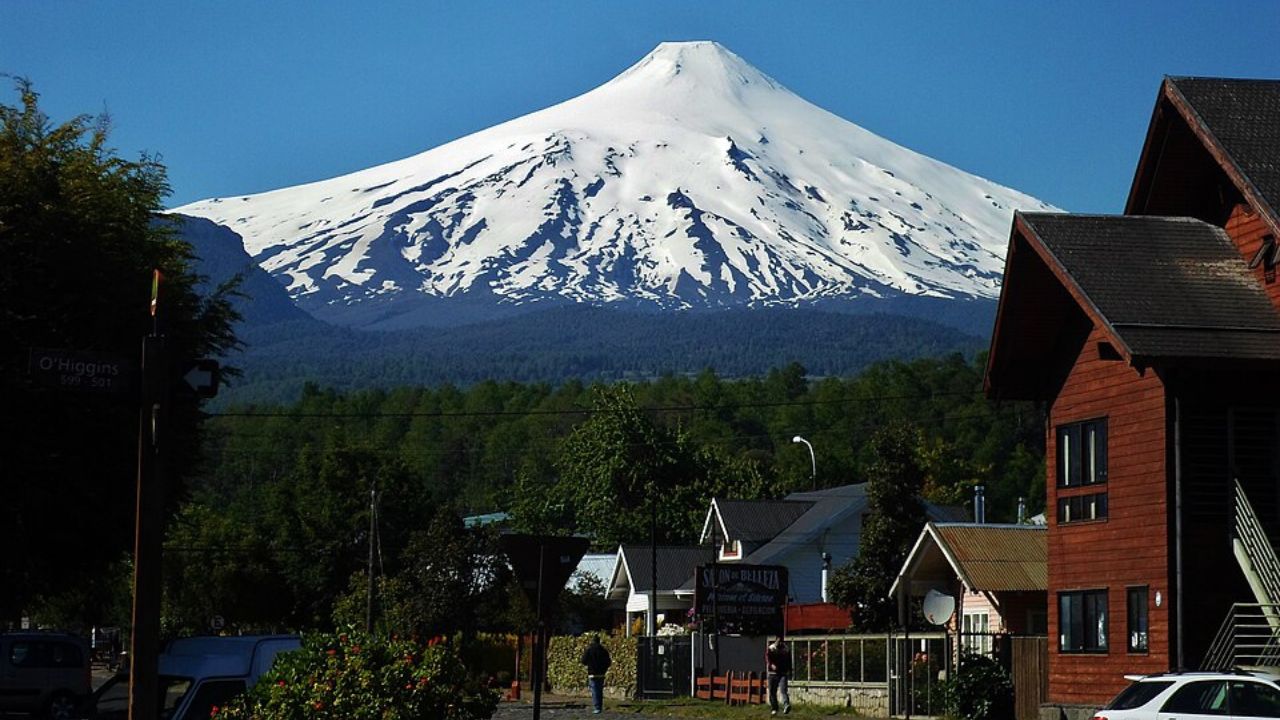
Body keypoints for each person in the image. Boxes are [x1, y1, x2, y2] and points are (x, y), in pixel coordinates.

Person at [580, 635, 612, 715]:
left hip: (592, 673)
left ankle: (597, 707)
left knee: (594, 690)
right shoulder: (603, 650)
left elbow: (583, 661)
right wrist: (604, 669)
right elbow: (608, 662)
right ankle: (599, 706)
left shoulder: (589, 650)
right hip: (601, 673)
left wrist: (589, 664)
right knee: (599, 690)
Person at [765, 639, 792, 715]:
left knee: (783, 690)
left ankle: (786, 705)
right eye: (778, 641)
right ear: (775, 641)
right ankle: (774, 708)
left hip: (783, 673)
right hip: (772, 673)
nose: (780, 643)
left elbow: (789, 660)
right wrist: (771, 665)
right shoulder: (771, 648)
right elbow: (767, 658)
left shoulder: (786, 649)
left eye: (781, 642)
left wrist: (790, 670)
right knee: (772, 692)